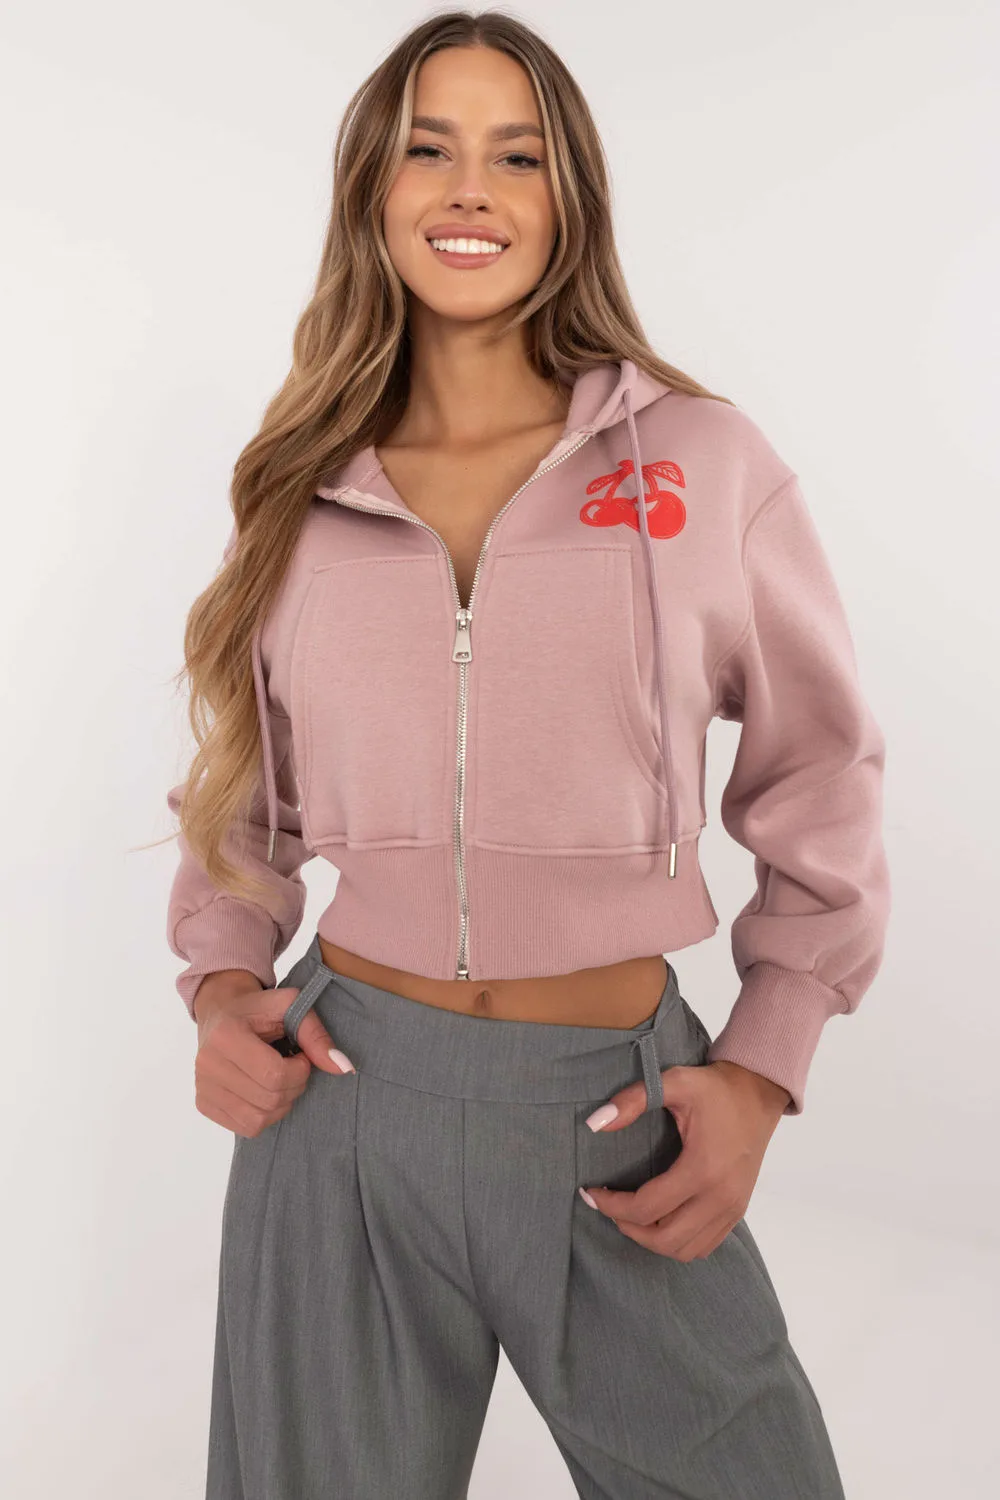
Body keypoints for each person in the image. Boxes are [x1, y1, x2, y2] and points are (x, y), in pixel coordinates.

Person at [164, 11, 890, 1498]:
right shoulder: (303, 489)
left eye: (518, 156)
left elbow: (821, 770)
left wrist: (764, 1069)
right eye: (428, 149)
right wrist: (224, 984)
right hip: (343, 1103)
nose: (469, 190)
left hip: (620, 1115)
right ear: (374, 191)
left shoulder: (700, 463)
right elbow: (243, 782)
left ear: (571, 200)